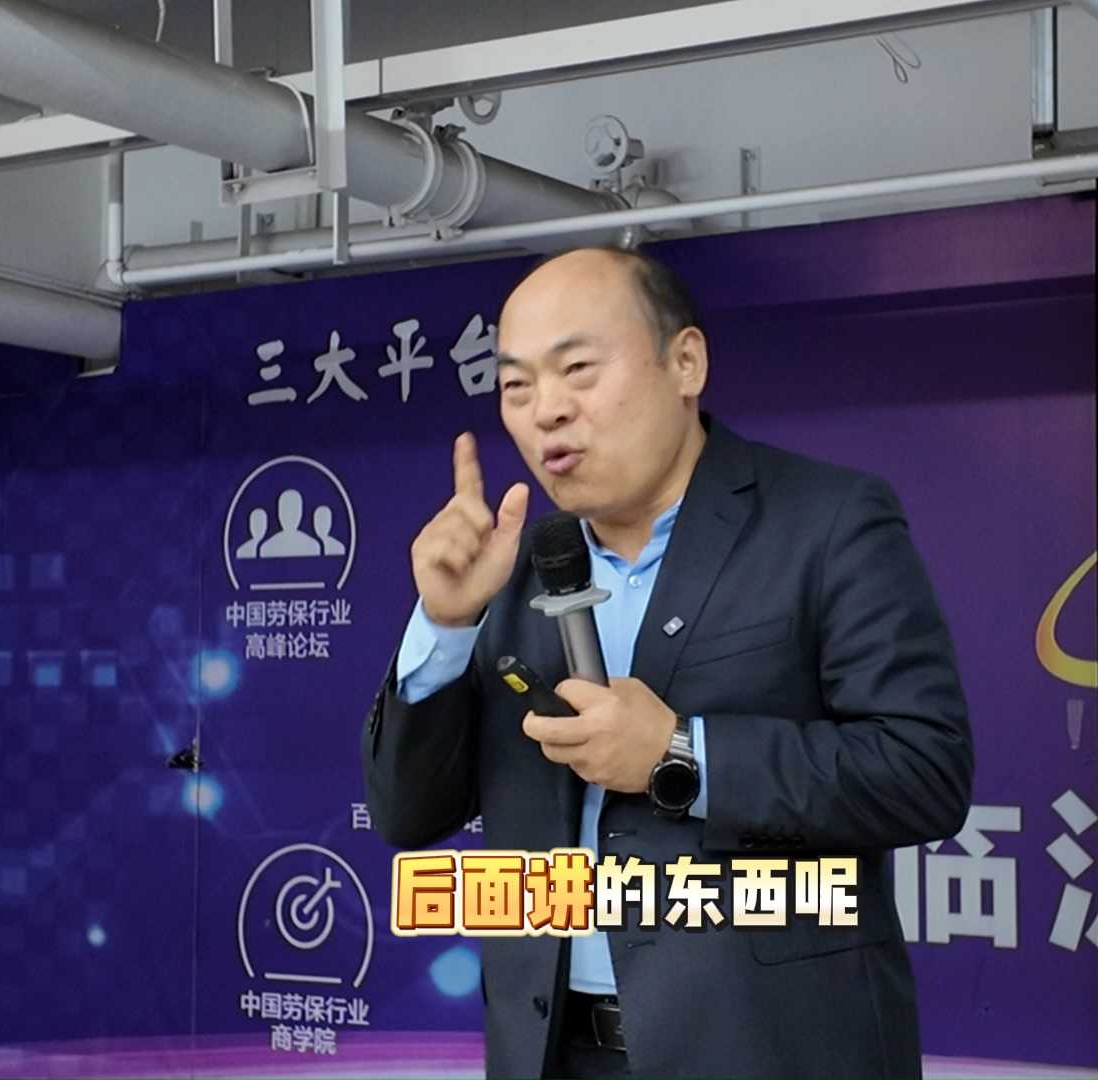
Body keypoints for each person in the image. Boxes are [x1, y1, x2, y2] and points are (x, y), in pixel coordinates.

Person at [360, 245, 974, 1079]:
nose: (547, 411)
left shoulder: (827, 522)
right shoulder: (516, 567)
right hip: (549, 1053)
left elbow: (924, 771)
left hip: (765, 1056)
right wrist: (445, 624)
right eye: (516, 386)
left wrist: (680, 754)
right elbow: (406, 814)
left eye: (578, 369)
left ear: (685, 363)